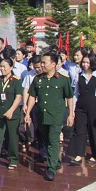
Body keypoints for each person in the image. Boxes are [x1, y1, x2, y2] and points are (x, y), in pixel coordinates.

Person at [25, 52, 74, 181]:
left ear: (53, 64)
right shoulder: (38, 79)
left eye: (44, 62)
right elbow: (32, 96)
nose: (42, 65)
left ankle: (51, 168)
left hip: (55, 116)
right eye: (41, 62)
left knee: (53, 141)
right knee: (45, 140)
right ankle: (56, 162)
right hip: (42, 115)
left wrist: (71, 114)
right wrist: (28, 112)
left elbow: (69, 97)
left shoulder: (63, 79)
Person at [67, 55, 96, 167]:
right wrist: (73, 109)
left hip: (94, 106)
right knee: (79, 130)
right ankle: (79, 155)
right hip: (81, 106)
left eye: (87, 62)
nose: (85, 64)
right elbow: (75, 93)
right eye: (84, 62)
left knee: (94, 130)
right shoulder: (78, 75)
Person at [0, 58, 23, 172]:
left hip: (12, 114)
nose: (2, 69)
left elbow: (18, 97)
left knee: (12, 138)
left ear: (11, 67)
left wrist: (11, 110)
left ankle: (13, 160)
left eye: (4, 66)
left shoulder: (16, 81)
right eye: (1, 66)